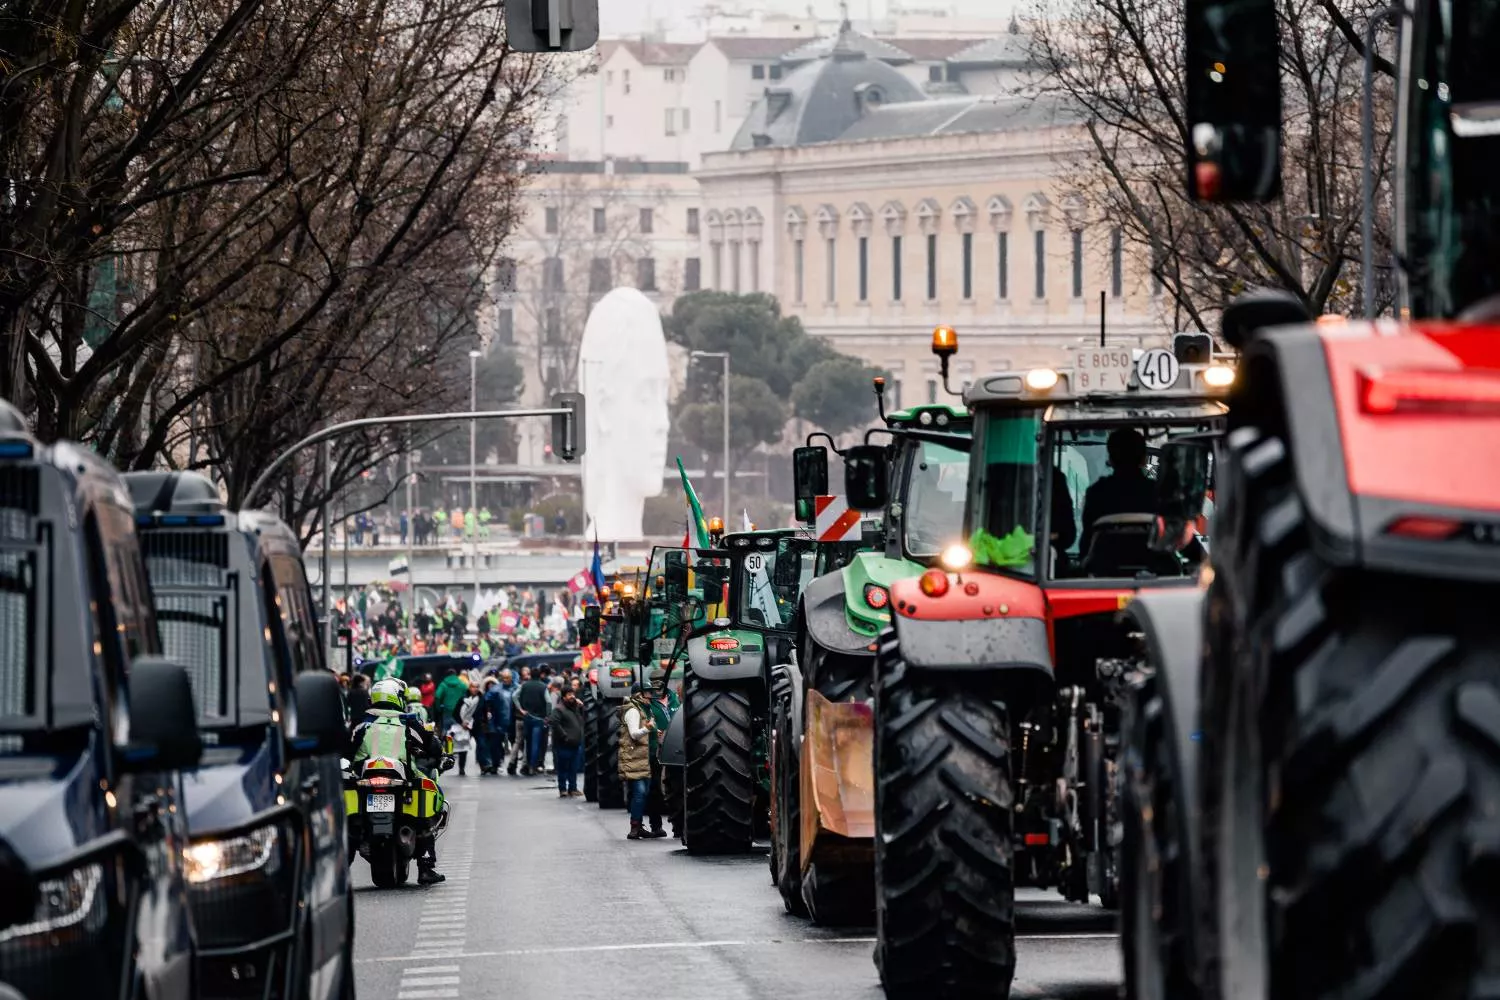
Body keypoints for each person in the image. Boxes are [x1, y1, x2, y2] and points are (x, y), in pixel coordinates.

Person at [349, 680, 448, 884]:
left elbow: (345, 749)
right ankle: (426, 867)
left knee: (349, 820)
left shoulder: (360, 723)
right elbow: (433, 747)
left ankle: (340, 873)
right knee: (429, 796)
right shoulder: (408, 722)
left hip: (364, 779)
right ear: (397, 698)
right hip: (402, 776)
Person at [1079, 428, 1157, 557]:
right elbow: (1181, 536)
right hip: (1158, 570)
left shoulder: (1096, 493)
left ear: (1111, 459)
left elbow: (1087, 541)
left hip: (1104, 570)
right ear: (1144, 459)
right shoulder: (1160, 493)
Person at [618, 684, 655, 840]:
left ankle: (639, 826)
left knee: (643, 792)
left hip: (641, 758)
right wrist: (648, 728)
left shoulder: (644, 710)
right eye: (648, 693)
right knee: (639, 793)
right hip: (634, 758)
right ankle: (634, 828)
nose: (650, 696)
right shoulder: (633, 711)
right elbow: (634, 734)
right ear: (639, 695)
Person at [643, 677, 679, 838]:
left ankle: (679, 825)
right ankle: (656, 825)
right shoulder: (649, 704)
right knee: (655, 788)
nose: (657, 689)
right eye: (654, 684)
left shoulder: (675, 699)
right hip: (656, 750)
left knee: (677, 786)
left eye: (660, 683)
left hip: (677, 748)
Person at [547, 687, 587, 798]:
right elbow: (554, 722)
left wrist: (581, 706)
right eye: (569, 694)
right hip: (564, 744)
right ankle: (563, 789)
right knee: (563, 768)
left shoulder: (575, 708)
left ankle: (573, 789)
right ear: (564, 697)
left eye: (573, 694)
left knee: (573, 768)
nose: (572, 696)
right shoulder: (559, 709)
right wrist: (564, 736)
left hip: (575, 744)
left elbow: (585, 717)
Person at [515, 667, 550, 776]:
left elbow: (514, 696)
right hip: (539, 718)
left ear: (530, 675)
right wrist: (548, 714)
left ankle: (528, 764)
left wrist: (520, 709)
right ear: (540, 675)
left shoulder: (524, 685)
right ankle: (532, 767)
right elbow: (548, 701)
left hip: (527, 717)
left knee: (528, 743)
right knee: (535, 743)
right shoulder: (543, 686)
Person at [449, 684, 479, 776]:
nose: (475, 689)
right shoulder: (463, 699)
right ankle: (461, 767)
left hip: (476, 725)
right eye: (473, 687)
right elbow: (455, 713)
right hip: (463, 726)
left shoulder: (480, 699)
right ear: (469, 688)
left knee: (481, 745)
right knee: (463, 748)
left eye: (476, 687)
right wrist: (462, 722)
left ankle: (483, 765)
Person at [434, 667, 469, 733]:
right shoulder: (461, 684)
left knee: (446, 731)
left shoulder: (443, 684)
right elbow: (467, 694)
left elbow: (437, 696)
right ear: (455, 675)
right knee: (459, 732)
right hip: (459, 713)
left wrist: (438, 708)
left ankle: (447, 742)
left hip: (447, 712)